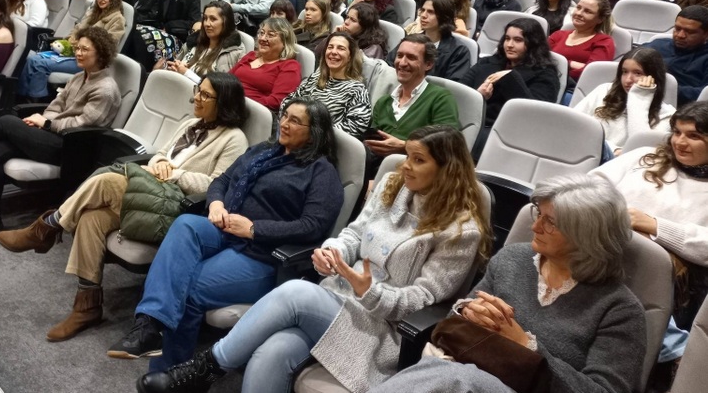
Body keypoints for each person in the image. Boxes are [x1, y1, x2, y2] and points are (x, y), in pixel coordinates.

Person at [137, 125, 491, 393]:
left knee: (296, 292)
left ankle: (206, 368)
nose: (406, 166)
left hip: (381, 328)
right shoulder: (393, 188)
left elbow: (424, 300)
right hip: (339, 300)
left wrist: (370, 292)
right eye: (408, 156)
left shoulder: (461, 231)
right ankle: (205, 369)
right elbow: (354, 233)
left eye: (418, 160)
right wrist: (333, 252)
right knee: (269, 356)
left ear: (447, 169)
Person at [0, 72, 250, 342]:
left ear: (225, 103)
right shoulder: (191, 122)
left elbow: (216, 185)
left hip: (177, 205)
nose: (196, 97)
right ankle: (87, 306)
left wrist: (173, 173)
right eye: (199, 89)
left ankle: (48, 226)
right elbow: (161, 153)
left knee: (104, 180)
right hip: (149, 192)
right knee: (92, 218)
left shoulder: (234, 139)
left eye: (205, 95)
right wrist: (161, 163)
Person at [107, 97, 344, 369]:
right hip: (224, 230)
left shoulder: (321, 172)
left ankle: (170, 375)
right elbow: (222, 180)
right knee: (185, 224)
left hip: (262, 254)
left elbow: (313, 226)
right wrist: (216, 202)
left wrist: (254, 229)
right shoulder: (263, 150)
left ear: (314, 133)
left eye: (295, 120)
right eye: (284, 116)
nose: (284, 123)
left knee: (187, 286)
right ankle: (148, 327)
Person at [370, 173, 645, 393]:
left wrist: (526, 347)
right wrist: (468, 312)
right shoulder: (514, 258)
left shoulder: (619, 310)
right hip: (463, 370)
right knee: (446, 375)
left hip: (494, 383)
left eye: (550, 222)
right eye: (539, 214)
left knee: (453, 378)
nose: (535, 227)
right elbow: (459, 319)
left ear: (587, 237)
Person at [0, 26, 121, 243]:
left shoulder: (105, 89)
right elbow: (56, 104)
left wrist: (47, 123)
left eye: (85, 49)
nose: (78, 53)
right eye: (78, 48)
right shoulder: (79, 77)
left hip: (72, 149)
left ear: (100, 53)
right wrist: (45, 123)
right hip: (55, 136)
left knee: (6, 121)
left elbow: (82, 124)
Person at [592, 102, 708, 382]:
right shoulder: (645, 157)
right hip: (606, 236)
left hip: (668, 267)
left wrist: (655, 225)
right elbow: (593, 182)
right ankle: (673, 349)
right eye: (677, 132)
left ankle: (673, 350)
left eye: (694, 136)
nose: (680, 142)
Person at [461, 19, 560, 155]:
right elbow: (460, 93)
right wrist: (478, 96)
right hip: (469, 122)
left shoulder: (546, 74)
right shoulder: (487, 62)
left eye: (518, 40)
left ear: (533, 44)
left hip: (506, 134)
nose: (509, 45)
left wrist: (511, 77)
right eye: (507, 39)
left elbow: (534, 115)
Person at [365, 35, 460, 171]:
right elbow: (373, 143)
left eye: (411, 57)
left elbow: (447, 145)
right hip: (376, 168)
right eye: (399, 55)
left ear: (428, 64)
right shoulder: (384, 102)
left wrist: (405, 146)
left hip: (415, 173)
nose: (402, 63)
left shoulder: (440, 98)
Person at [17, 0, 125, 100]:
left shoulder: (117, 19)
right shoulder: (93, 13)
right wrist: (71, 40)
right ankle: (21, 99)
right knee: (30, 58)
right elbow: (75, 31)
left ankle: (37, 102)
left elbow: (108, 45)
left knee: (39, 63)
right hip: (72, 52)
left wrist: (80, 44)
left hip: (89, 61)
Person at [574, 48, 675, 157]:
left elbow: (640, 151)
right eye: (625, 72)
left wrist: (638, 100)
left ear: (654, 77)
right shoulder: (603, 91)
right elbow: (573, 124)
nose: (627, 80)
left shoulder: (667, 115)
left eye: (637, 73)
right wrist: (613, 149)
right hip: (582, 151)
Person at [283, 32, 371, 137]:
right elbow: (287, 102)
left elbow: (356, 127)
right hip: (291, 133)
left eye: (341, 48)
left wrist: (311, 133)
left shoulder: (357, 89)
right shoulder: (315, 77)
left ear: (350, 57)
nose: (333, 52)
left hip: (321, 145)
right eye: (330, 47)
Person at [229, 17, 301, 113]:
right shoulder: (251, 56)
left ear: (285, 41)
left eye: (270, 35)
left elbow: (277, 101)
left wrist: (240, 103)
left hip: (252, 113)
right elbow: (227, 78)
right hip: (228, 103)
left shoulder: (289, 66)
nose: (262, 38)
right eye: (261, 33)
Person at [162, 1, 245, 84]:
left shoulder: (235, 52)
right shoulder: (194, 42)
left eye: (213, 19)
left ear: (226, 23)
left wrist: (187, 73)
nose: (207, 24)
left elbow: (220, 90)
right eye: (205, 18)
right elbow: (177, 63)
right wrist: (174, 67)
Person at [400, 0, 470, 81]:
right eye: (423, 10)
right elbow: (390, 65)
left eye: (430, 12)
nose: (423, 15)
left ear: (444, 16)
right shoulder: (411, 40)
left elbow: (453, 87)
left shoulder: (459, 51)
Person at [647, 6, 708, 105]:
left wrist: (662, 88)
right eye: (677, 28)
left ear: (706, 34)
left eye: (690, 32)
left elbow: (704, 94)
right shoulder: (656, 45)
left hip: (685, 111)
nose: (680, 35)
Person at [548, 0, 615, 82]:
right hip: (545, 79)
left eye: (587, 11)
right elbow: (538, 57)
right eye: (578, 7)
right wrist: (573, 65)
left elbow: (591, 72)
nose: (579, 13)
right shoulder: (559, 35)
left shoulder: (604, 41)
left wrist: (565, 63)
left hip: (573, 88)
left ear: (600, 19)